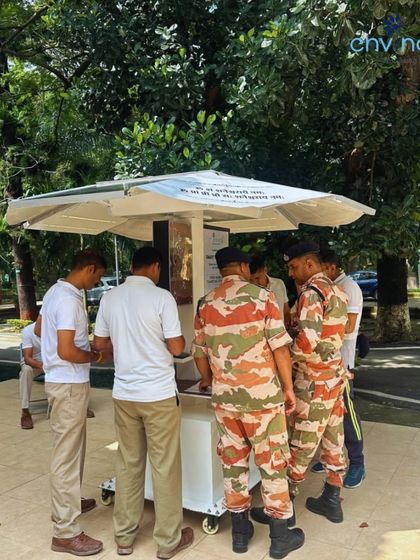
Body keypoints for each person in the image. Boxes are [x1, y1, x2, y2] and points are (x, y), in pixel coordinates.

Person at [192, 246, 304, 559]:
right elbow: (280, 348)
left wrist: (209, 380)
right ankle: (280, 538)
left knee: (233, 464)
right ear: (243, 266)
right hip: (263, 401)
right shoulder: (263, 297)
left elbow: (199, 352)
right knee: (272, 465)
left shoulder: (206, 303)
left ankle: (240, 534)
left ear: (221, 269)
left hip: (225, 402)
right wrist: (288, 389)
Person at [94, 246, 193, 559]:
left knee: (128, 464)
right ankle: (167, 542)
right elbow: (177, 347)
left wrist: (127, 346)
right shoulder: (161, 297)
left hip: (124, 395)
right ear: (155, 267)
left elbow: (99, 344)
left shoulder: (110, 298)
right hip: (159, 395)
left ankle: (124, 538)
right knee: (164, 467)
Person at [251, 241, 348, 525]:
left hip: (313, 383)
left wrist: (280, 360)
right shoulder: (336, 290)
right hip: (333, 379)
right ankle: (332, 500)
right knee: (333, 442)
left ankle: (282, 511)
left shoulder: (312, 293)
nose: (291, 273)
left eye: (293, 267)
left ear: (309, 264)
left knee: (299, 446)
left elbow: (306, 343)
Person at [36, 248, 107, 556]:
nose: (98, 282)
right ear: (89, 269)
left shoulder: (55, 291)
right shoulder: (68, 299)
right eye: (99, 276)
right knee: (66, 455)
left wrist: (67, 346)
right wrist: (94, 354)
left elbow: (39, 330)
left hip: (62, 381)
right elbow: (67, 351)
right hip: (68, 382)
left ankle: (71, 502)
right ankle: (65, 532)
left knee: (73, 448)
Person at [309, 249, 365, 488]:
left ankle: (357, 462)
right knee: (327, 415)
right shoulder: (327, 289)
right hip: (325, 366)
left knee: (347, 415)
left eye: (321, 270)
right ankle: (330, 456)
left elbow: (350, 326)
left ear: (331, 267)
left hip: (342, 363)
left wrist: (320, 334)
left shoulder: (348, 288)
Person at [250, 256, 290, 325]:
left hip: (280, 331)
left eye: (257, 278)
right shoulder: (249, 290)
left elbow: (285, 310)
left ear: (265, 270)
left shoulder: (279, 283)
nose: (255, 282)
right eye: (251, 279)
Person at [19, 321, 43, 429]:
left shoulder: (55, 327)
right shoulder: (28, 331)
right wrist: (42, 366)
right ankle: (25, 411)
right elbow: (28, 358)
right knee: (26, 371)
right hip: (34, 362)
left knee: (73, 366)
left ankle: (78, 406)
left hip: (52, 361)